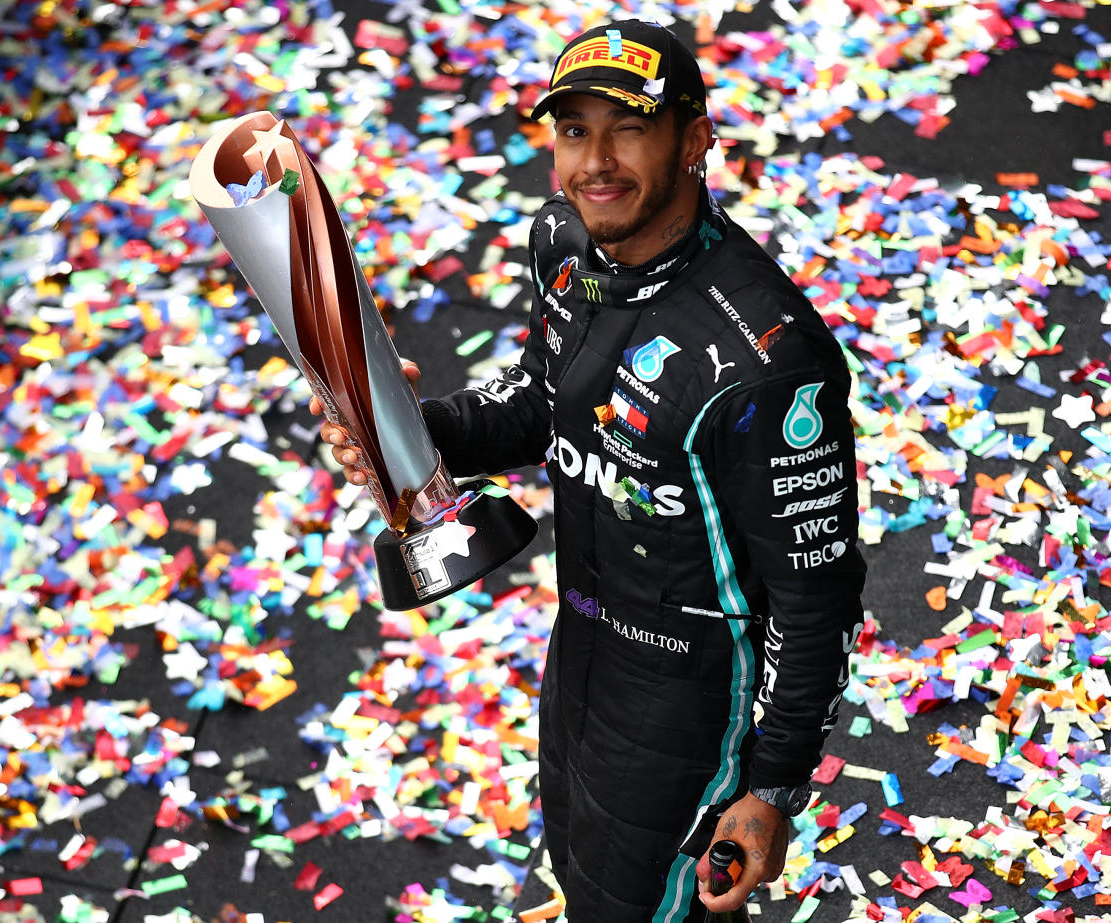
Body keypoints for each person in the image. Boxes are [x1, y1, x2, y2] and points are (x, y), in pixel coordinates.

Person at [313, 19, 866, 922]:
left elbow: (817, 596)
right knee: (578, 863)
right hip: (581, 649)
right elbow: (545, 401)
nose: (595, 161)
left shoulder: (767, 360)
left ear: (695, 139)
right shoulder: (567, 247)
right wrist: (403, 430)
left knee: (639, 907)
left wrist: (773, 785)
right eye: (574, 129)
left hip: (690, 701)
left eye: (629, 128)